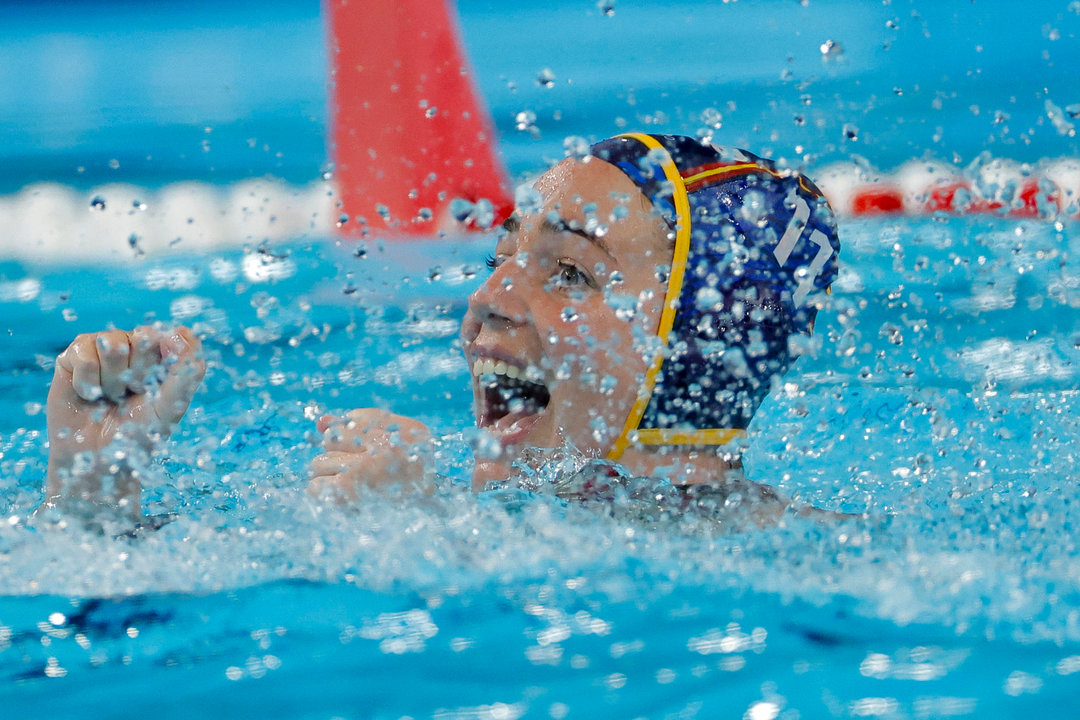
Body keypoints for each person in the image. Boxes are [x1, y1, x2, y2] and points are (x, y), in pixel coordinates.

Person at [40, 133, 840, 523]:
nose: (486, 299)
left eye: (569, 272)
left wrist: (420, 548)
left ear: (690, 350)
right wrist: (94, 490)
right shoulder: (502, 519)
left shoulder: (786, 564)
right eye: (501, 256)